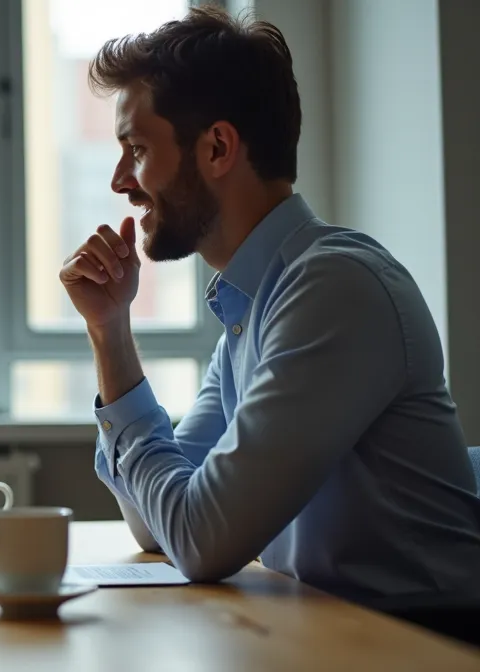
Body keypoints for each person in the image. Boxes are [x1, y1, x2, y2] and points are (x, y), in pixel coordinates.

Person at [60, 7, 480, 609]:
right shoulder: (250, 310)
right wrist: (109, 330)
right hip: (331, 640)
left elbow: (199, 540)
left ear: (218, 147)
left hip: (422, 650)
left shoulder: (334, 290)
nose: (120, 181)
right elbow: (156, 528)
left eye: (136, 149)